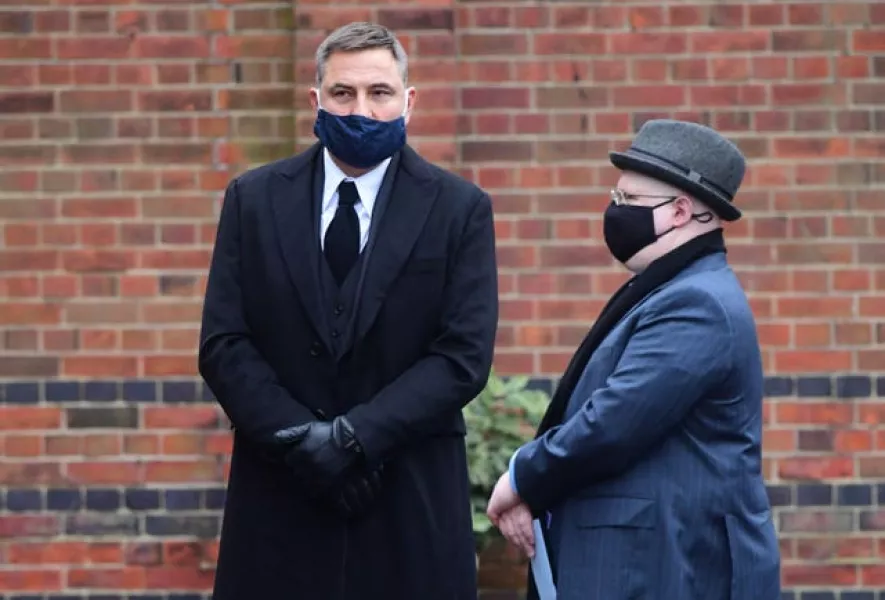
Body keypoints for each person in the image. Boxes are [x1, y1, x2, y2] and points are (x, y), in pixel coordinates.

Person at [198, 21, 498, 600]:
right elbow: (224, 343)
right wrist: (301, 443)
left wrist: (352, 440)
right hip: (279, 503)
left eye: (379, 93)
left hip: (407, 501)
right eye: (343, 93)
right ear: (317, 100)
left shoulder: (460, 210)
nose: (361, 109)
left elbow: (462, 356)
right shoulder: (254, 200)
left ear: (408, 101)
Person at [486, 119, 782, 600]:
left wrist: (522, 477)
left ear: (681, 211)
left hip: (669, 569)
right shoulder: (670, 289)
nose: (613, 211)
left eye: (628, 201)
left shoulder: (696, 304)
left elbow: (613, 423)